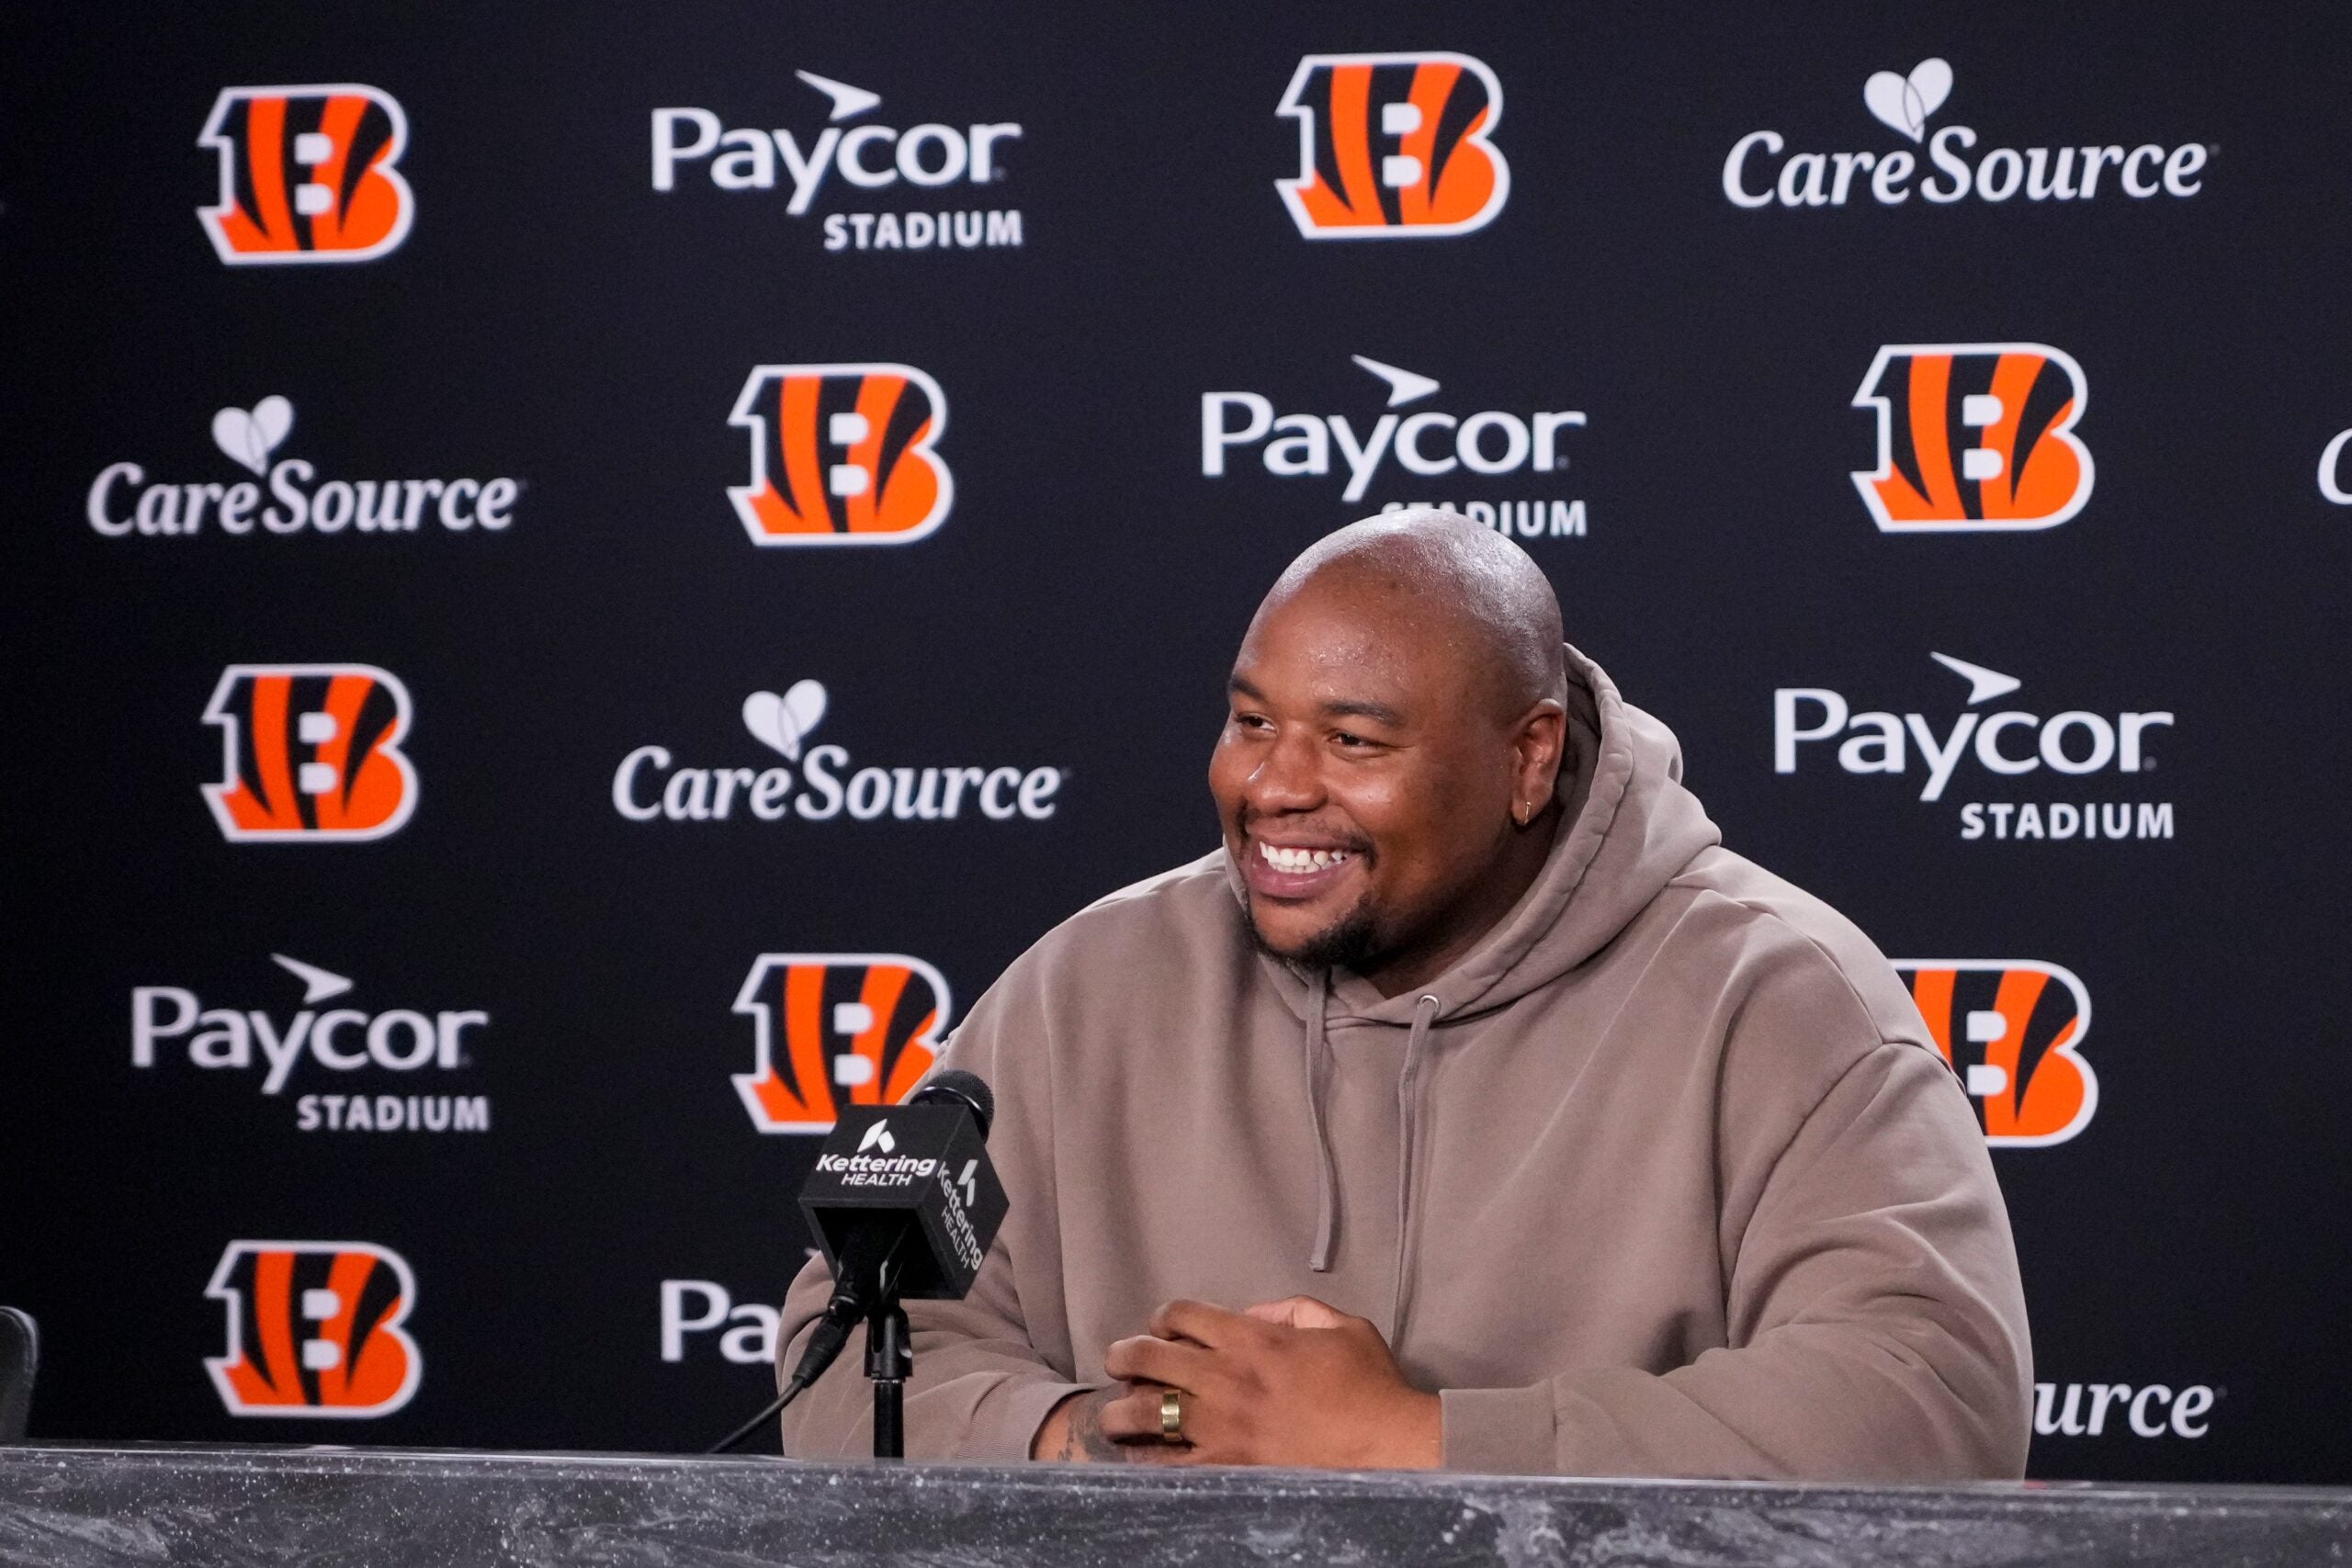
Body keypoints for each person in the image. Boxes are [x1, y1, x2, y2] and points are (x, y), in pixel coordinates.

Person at [775, 509, 2030, 1477]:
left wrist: (1412, 1440)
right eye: (1251, 721)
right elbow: (849, 1345)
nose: (1274, 786)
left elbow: (1928, 1399)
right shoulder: (1085, 987)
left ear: (1528, 758)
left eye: (1355, 741)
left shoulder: (1777, 996)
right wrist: (1109, 1439)